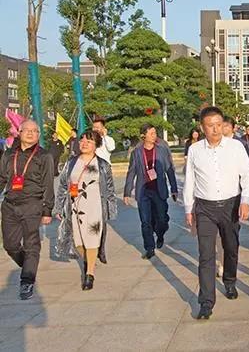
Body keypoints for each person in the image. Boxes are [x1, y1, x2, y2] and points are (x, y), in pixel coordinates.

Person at [184, 106, 249, 320]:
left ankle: (230, 281)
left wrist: (245, 201)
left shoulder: (235, 147)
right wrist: (188, 208)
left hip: (230, 206)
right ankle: (206, 302)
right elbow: (189, 181)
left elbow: (246, 176)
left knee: (231, 248)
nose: (215, 129)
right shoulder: (195, 150)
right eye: (210, 126)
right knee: (206, 254)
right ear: (202, 127)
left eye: (218, 125)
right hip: (204, 208)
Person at [53, 130, 117, 290]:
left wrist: (110, 209)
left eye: (89, 141)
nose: (84, 144)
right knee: (78, 242)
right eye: (82, 140)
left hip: (95, 208)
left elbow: (110, 189)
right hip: (75, 208)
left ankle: (89, 274)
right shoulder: (71, 162)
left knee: (92, 239)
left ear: (96, 145)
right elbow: (62, 185)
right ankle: (89, 260)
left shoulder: (103, 165)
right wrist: (59, 207)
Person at [0, 120, 54, 300]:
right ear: (20, 132)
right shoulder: (9, 154)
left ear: (38, 135)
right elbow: (2, 178)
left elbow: (48, 184)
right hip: (10, 205)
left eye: (35, 131)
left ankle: (27, 280)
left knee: (31, 244)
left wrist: (47, 210)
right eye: (27, 130)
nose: (30, 133)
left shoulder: (44, 156)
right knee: (10, 245)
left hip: (32, 204)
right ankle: (29, 265)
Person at [124, 124, 178, 260]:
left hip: (159, 190)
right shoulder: (136, 152)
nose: (155, 135)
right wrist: (127, 192)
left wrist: (174, 188)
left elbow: (169, 170)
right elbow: (131, 172)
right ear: (144, 136)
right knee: (145, 221)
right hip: (143, 192)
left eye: (155, 133)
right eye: (152, 133)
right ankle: (149, 248)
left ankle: (160, 234)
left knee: (162, 219)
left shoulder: (161, 150)